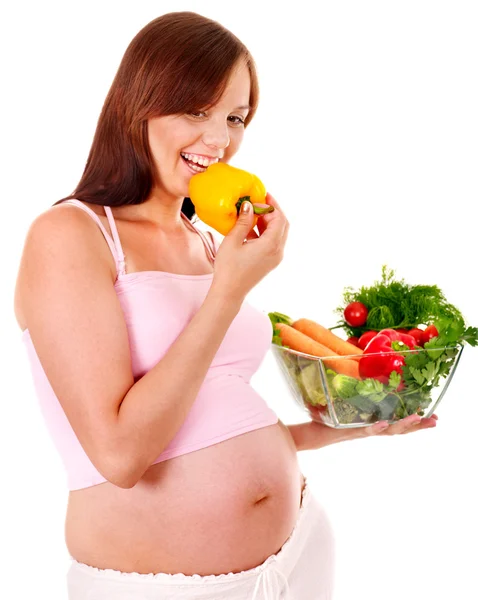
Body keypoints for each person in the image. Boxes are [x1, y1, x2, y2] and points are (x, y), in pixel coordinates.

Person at [14, 11, 438, 600]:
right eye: (197, 110)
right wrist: (230, 292)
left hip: (299, 551)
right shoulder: (71, 234)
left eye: (235, 117)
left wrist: (346, 429)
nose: (220, 140)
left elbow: (206, 423)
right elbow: (121, 455)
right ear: (139, 102)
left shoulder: (208, 243)